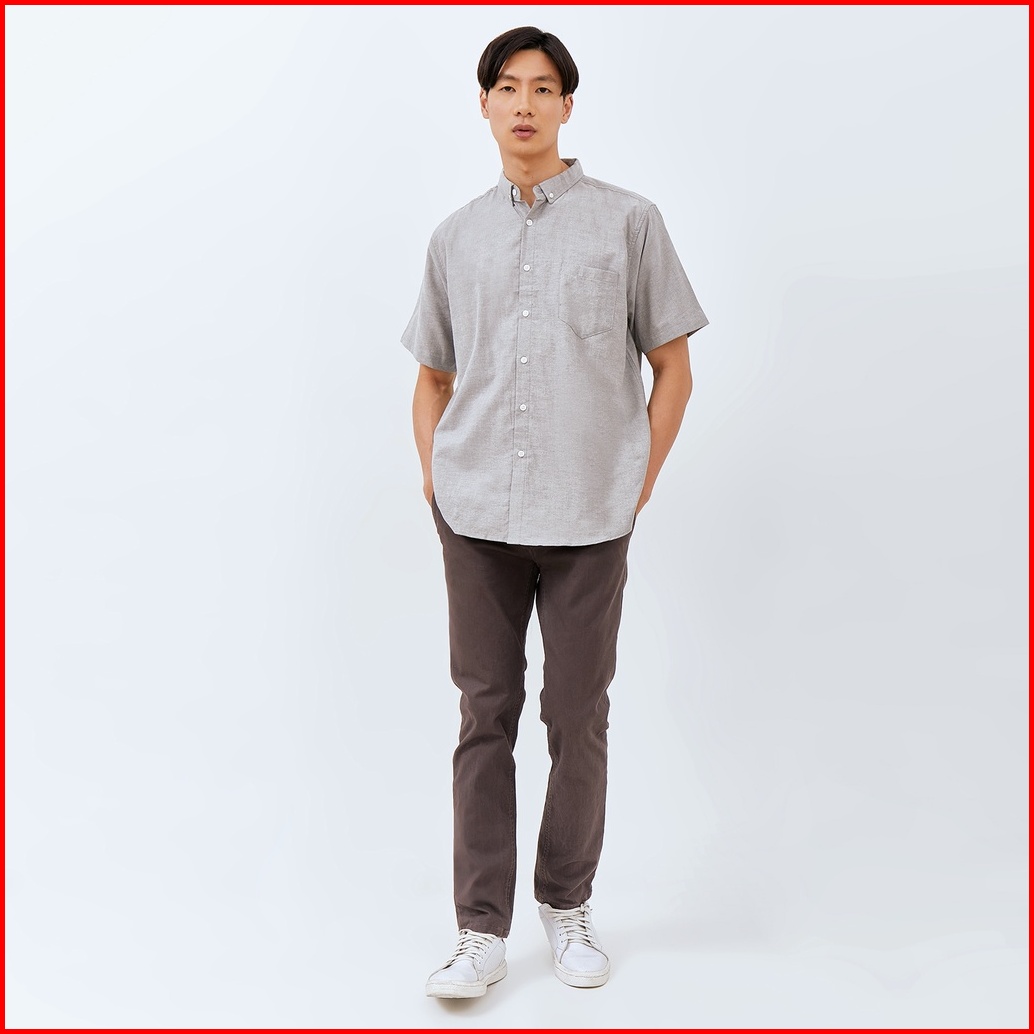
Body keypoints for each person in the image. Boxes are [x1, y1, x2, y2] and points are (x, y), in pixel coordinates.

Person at [401, 25, 709, 998]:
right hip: (476, 516)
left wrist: (637, 477)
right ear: (485, 105)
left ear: (568, 106)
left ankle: (566, 902)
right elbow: (431, 376)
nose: (524, 104)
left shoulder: (629, 223)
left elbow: (672, 367)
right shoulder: (455, 237)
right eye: (507, 87)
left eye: (542, 88)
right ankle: (478, 929)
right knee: (482, 714)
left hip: (588, 515)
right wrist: (435, 477)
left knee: (577, 715)